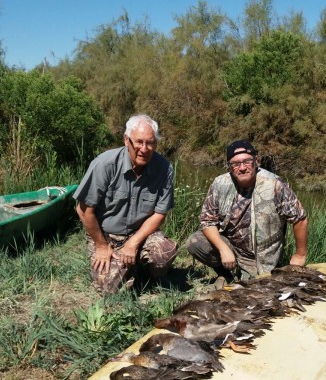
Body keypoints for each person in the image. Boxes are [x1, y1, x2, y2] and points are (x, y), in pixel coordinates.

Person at [73, 114, 178, 294]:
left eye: (150, 143)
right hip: (107, 236)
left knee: (165, 253)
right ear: (126, 140)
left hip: (141, 234)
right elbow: (84, 211)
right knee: (109, 288)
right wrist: (101, 245)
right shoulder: (104, 164)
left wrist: (133, 243)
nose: (144, 149)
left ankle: (146, 272)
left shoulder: (164, 168)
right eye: (139, 142)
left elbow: (160, 213)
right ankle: (129, 268)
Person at [186, 139, 308, 288]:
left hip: (260, 257)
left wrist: (300, 255)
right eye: (236, 164)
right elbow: (207, 221)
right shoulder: (219, 184)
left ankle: (246, 273)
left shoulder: (274, 184)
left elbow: (299, 218)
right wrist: (223, 249)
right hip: (231, 246)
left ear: (256, 161)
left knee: (254, 288)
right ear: (230, 166)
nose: (242, 167)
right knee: (195, 243)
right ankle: (225, 273)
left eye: (247, 161)